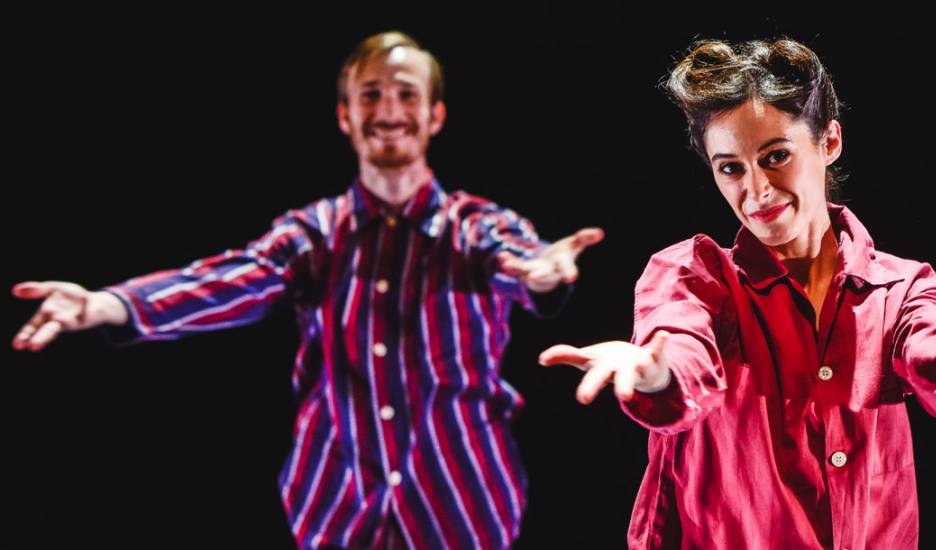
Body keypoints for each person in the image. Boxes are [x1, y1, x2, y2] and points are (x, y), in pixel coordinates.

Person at [10, 31, 601, 550]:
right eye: (370, 94)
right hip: (338, 505)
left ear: (435, 114)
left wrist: (542, 270)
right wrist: (106, 304)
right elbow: (224, 280)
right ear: (344, 115)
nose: (388, 109)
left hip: (462, 500)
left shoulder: (475, 225)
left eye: (406, 93)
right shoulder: (311, 234)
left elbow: (518, 262)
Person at [538, 38, 936, 549]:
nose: (757, 189)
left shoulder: (899, 285)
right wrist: (651, 369)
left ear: (829, 140)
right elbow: (681, 346)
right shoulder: (696, 274)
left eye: (776, 156)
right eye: (730, 169)